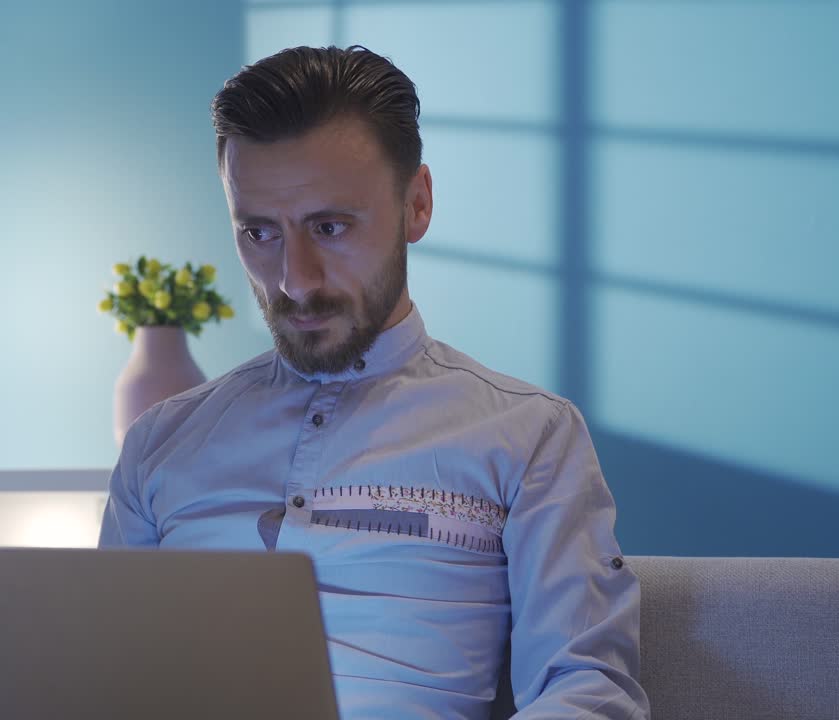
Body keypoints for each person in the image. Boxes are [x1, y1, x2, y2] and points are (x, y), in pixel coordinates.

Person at [99, 45, 649, 720]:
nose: (294, 279)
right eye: (259, 232)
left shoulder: (529, 436)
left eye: (329, 227)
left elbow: (588, 690)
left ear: (416, 205)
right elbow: (108, 678)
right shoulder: (160, 444)